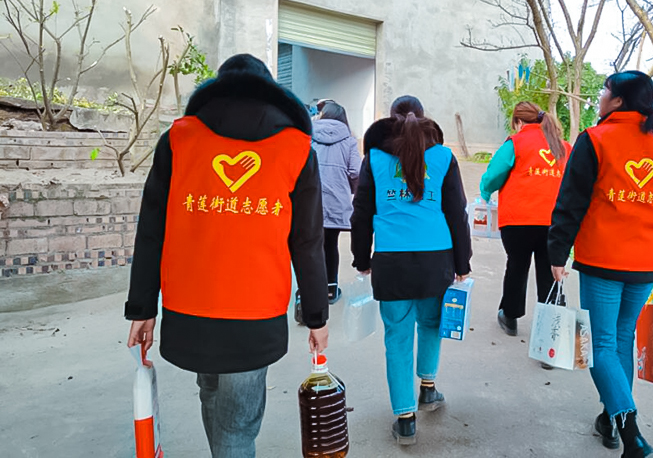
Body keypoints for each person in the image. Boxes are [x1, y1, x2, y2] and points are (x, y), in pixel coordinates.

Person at [124, 54, 330, 458]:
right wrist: (317, 316)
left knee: (211, 393)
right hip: (256, 314)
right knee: (237, 425)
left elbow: (151, 231)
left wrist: (142, 308)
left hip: (191, 309)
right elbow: (308, 242)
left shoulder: (179, 140)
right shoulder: (296, 149)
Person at [548, 70, 653, 458]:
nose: (600, 97)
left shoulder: (594, 139)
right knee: (621, 338)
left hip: (602, 261)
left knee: (599, 345)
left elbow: (571, 201)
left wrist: (558, 253)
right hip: (645, 264)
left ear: (619, 100)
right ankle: (609, 418)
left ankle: (632, 434)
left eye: (605, 90)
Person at [350, 95, 471, 445]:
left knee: (398, 337)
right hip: (436, 259)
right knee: (431, 323)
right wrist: (462, 262)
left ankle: (405, 419)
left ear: (391, 120)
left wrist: (362, 259)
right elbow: (456, 212)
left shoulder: (374, 158)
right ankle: (428, 388)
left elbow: (361, 214)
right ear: (423, 118)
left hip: (391, 261)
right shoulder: (444, 157)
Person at [479, 102, 572, 347]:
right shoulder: (564, 147)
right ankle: (550, 337)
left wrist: (485, 192)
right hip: (555, 223)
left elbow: (494, 174)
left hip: (518, 220)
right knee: (550, 274)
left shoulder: (516, 143)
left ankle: (510, 318)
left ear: (519, 122)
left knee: (517, 266)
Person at [311, 101, 362, 305]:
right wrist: (350, 189)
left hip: (310, 200)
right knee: (331, 244)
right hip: (335, 200)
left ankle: (310, 290)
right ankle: (331, 290)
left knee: (310, 245)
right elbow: (356, 171)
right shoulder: (349, 141)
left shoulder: (309, 136)